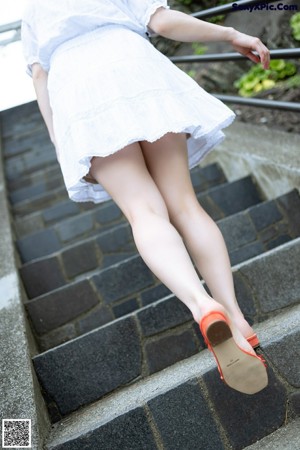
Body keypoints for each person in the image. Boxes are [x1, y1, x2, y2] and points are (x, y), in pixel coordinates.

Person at [21, 0, 270, 394]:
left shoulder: (34, 10)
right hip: (133, 67)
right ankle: (236, 319)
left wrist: (61, 139)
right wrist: (230, 33)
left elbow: (40, 77)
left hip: (79, 92)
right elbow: (161, 20)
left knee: (144, 212)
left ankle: (202, 306)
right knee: (185, 205)